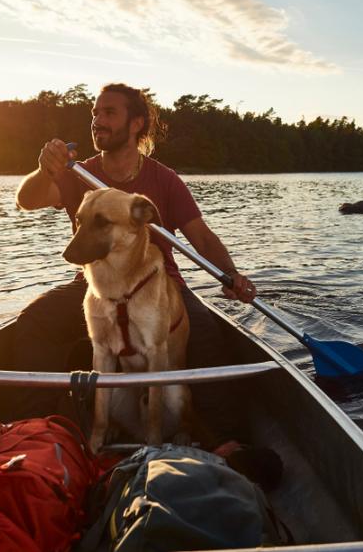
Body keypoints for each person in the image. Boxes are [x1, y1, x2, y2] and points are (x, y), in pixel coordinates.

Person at [13, 82, 256, 449]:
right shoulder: (78, 173)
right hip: (96, 284)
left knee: (207, 335)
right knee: (33, 324)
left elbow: (200, 237)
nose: (98, 120)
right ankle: (37, 431)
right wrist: (45, 171)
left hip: (157, 284)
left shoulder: (164, 180)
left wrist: (231, 273)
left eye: (109, 113)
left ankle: (226, 441)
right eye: (95, 113)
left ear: (137, 124)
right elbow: (27, 200)